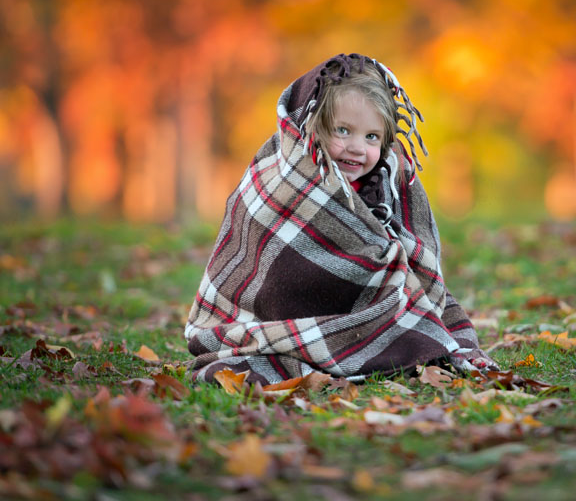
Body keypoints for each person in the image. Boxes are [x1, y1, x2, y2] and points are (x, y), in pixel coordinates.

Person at [185, 53, 497, 385]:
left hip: (361, 305)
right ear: (312, 126)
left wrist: (385, 263)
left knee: (419, 331)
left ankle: (373, 339)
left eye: (372, 137)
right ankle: (321, 343)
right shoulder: (282, 179)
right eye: (343, 130)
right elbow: (254, 253)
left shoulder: (388, 180)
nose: (357, 148)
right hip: (285, 307)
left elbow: (411, 250)